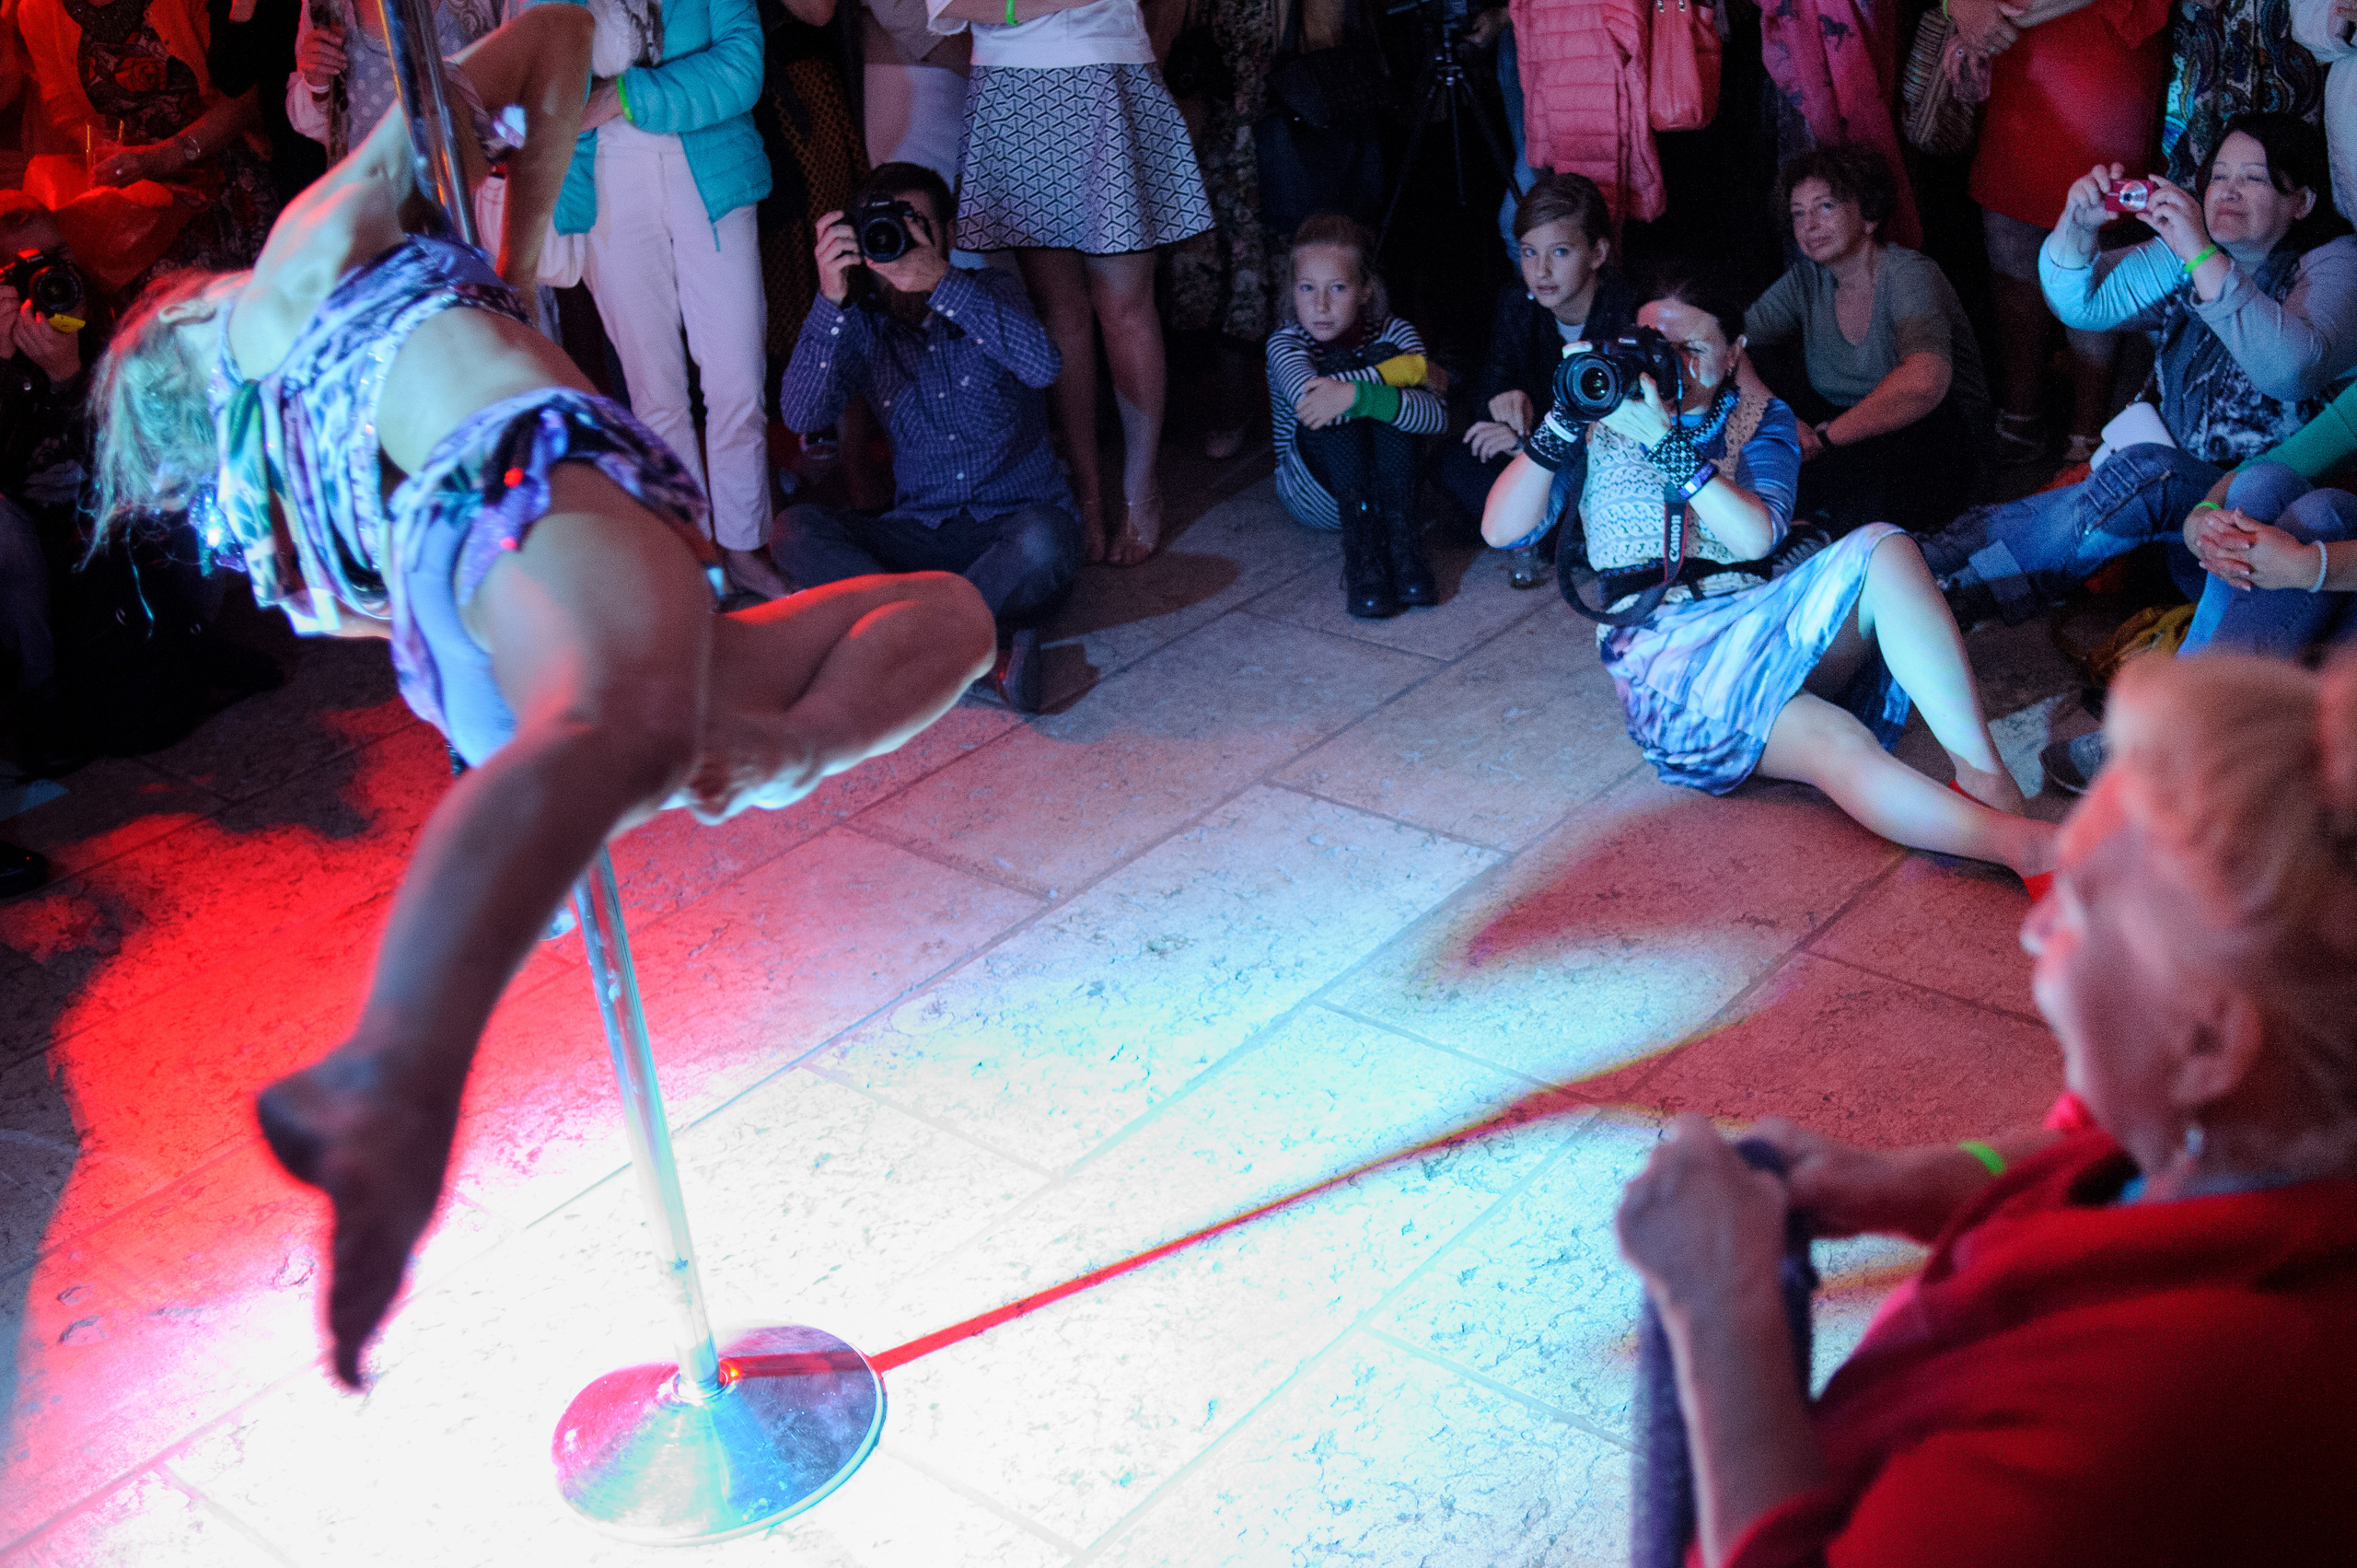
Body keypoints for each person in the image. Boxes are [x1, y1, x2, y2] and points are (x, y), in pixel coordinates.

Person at [85, 6, 998, 1385]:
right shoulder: (289, 275)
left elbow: (550, 50)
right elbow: (556, 34)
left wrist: (507, 260)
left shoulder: (313, 437)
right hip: (525, 497)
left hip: (497, 599)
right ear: (190, 321)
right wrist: (464, 208)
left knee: (948, 619)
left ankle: (764, 749)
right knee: (616, 725)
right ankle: (394, 1066)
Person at [1615, 649, 2357, 1568]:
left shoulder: (2157, 1403)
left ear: (2207, 1042)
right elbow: (2089, 1154)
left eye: (2077, 910)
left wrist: (1720, 1307)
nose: (2034, 928)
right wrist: (1913, 1181)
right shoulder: (2247, 1131)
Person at [1479, 267, 2056, 890]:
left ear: (1734, 354)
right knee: (1835, 739)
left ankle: (1985, 779)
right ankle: (2027, 846)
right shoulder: (1599, 420)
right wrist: (1562, 423)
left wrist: (1666, 444)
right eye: (1653, 345)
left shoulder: (1759, 420)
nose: (1669, 364)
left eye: (1691, 348)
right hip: (1669, 655)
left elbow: (1756, 536)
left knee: (1884, 543)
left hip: (1758, 618)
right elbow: (1501, 530)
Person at [1927, 115, 2357, 632]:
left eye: (2253, 178)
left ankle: (1953, 584)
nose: (2228, 191)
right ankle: (1938, 568)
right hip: (2179, 509)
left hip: (2263, 520)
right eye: (2219, 175)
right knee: (2126, 477)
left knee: (2150, 471)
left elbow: (2289, 371)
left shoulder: (2334, 264)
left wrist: (2199, 252)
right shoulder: (2195, 251)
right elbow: (2083, 305)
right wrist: (2077, 228)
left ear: (2302, 201)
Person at [774, 162, 1080, 712]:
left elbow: (1043, 366)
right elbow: (800, 415)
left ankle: (903, 644)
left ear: (949, 234)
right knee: (793, 531)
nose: (900, 239)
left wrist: (943, 283)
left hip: (1010, 531)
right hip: (919, 536)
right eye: (884, 227)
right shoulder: (863, 323)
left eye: (914, 223)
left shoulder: (992, 291)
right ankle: (968, 653)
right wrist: (829, 299)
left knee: (1045, 538)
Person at [923, 0, 1213, 565]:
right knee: (1061, 312)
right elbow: (951, 5)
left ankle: (1140, 488)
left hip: (1108, 68)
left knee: (1124, 307)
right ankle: (1086, 489)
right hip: (1011, 88)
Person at [546, 0, 784, 600]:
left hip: (711, 165)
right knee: (655, 392)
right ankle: (693, 555)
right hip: (604, 176)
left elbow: (741, 69)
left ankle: (743, 547)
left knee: (738, 377)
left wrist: (621, 97)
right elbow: (539, 85)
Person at [1953, 0, 2170, 464]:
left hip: (2100, 54)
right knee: (2010, 231)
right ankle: (2021, 413)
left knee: (2099, 226)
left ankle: (2088, 433)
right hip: (2017, 62)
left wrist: (1987, 16)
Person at [1744, 144, 1990, 538]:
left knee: (1863, 499)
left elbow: (1924, 383)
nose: (1809, 225)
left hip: (1933, 435)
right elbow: (1729, 339)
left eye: (1825, 207)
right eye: (1798, 213)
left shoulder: (1908, 273)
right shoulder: (1807, 280)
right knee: (1751, 363)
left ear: (1870, 216)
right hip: (1844, 434)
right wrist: (1782, 421)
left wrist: (1823, 439)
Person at [1436, 170, 1637, 587]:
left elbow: (1620, 430)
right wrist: (1503, 401)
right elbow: (1489, 388)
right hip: (1537, 451)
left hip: (1601, 459)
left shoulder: (1626, 309)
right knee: (1455, 460)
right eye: (1529, 253)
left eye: (1560, 252)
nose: (1541, 270)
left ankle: (1564, 537)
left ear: (1597, 253)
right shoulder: (1518, 302)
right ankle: (1563, 538)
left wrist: (1530, 445)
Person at [13, 0, 281, 289]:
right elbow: (66, 109)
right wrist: (111, 157)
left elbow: (243, 97)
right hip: (140, 190)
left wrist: (161, 159)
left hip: (220, 159)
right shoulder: (37, 10)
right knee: (151, 292)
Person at [1266, 212, 1448, 619]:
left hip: (1393, 495)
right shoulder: (1285, 342)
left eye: (1338, 288)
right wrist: (1404, 372)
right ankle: (1362, 554)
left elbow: (1436, 418)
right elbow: (1313, 406)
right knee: (1334, 373)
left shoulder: (1396, 332)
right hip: (1319, 495)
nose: (1321, 305)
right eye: (1307, 288)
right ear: (1292, 290)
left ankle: (1403, 546)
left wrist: (1360, 394)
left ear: (1365, 290)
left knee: (1376, 362)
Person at [286, 0, 497, 160]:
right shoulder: (323, 6)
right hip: (381, 195)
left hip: (474, 187)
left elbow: (513, 76)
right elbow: (313, 125)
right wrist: (318, 83)